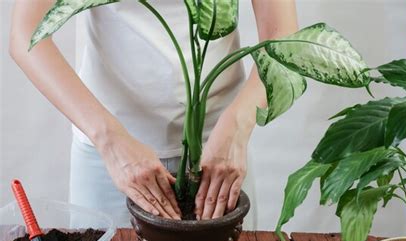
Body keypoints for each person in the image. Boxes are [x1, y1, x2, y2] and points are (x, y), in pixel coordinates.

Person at [9, 0, 298, 226]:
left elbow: (282, 37)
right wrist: (109, 140)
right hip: (112, 157)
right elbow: (26, 34)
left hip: (219, 155)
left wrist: (239, 124)